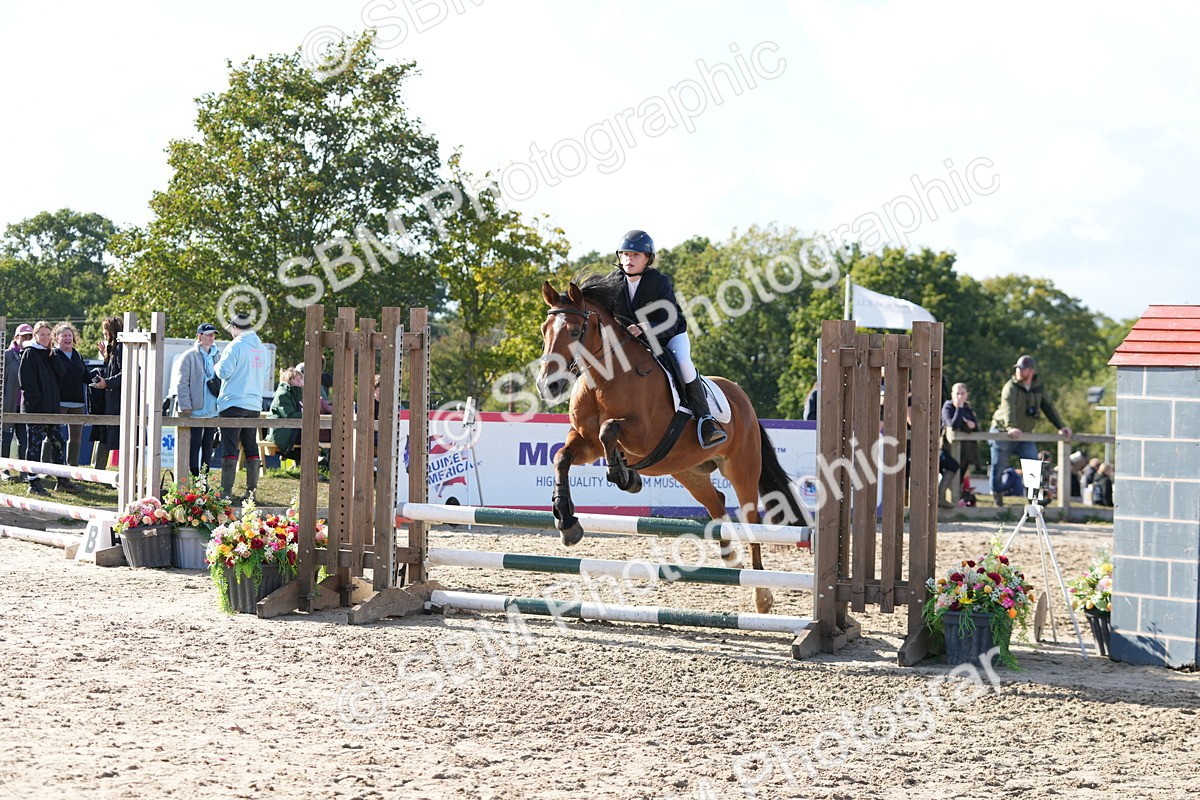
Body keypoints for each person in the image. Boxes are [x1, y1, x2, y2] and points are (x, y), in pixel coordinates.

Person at [610, 229, 726, 448]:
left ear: (648, 259)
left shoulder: (659, 282)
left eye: (635, 255)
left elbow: (669, 319)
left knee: (683, 363)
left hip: (668, 335)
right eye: (625, 254)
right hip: (634, 342)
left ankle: (706, 420)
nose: (629, 259)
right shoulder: (613, 282)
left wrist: (643, 328)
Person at [988, 354, 1072, 507]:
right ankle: (997, 500)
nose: (1019, 371)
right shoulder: (1010, 387)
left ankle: (1034, 502)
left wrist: (1061, 426)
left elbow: (1048, 407)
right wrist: (1011, 426)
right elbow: (1008, 408)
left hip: (1024, 434)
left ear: (1031, 371)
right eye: (1018, 368)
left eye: (1023, 369)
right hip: (1002, 431)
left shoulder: (1038, 387)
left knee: (1034, 465)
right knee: (998, 466)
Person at [216, 314, 270, 502]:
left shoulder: (236, 345)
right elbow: (264, 377)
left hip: (233, 401)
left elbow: (224, 372)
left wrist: (216, 366)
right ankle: (251, 492)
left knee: (229, 447)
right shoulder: (263, 349)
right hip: (254, 403)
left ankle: (226, 492)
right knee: (250, 445)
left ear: (234, 327)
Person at [18, 322, 67, 496]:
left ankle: (62, 479)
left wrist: (53, 356)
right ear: (35, 336)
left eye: (48, 334)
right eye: (42, 334)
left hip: (51, 409)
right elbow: (27, 382)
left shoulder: (50, 354)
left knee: (58, 442)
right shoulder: (29, 353)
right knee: (34, 446)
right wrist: (36, 406)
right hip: (36, 410)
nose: (45, 338)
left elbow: (62, 373)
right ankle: (33, 482)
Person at [171, 322, 222, 476]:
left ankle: (204, 478)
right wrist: (186, 406)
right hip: (195, 409)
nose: (211, 337)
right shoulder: (189, 356)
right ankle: (193, 476)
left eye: (213, 334)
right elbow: (182, 383)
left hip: (213, 408)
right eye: (208, 334)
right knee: (194, 444)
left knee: (208, 445)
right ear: (199, 337)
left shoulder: (218, 356)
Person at [50, 322, 88, 473]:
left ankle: (72, 469)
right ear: (57, 338)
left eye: (70, 335)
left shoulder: (78, 354)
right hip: (59, 401)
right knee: (52, 435)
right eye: (64, 335)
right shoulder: (53, 354)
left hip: (77, 402)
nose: (67, 338)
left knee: (76, 438)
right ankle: (48, 467)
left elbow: (86, 376)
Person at [89, 316, 124, 470]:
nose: (104, 335)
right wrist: (106, 358)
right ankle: (99, 471)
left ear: (112, 332)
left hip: (120, 401)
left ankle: (105, 472)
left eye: (105, 332)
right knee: (104, 434)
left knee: (121, 438)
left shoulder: (122, 347)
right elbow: (113, 370)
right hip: (112, 400)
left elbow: (126, 373)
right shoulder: (115, 348)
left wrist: (107, 382)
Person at [2, 323, 34, 481]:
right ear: (16, 338)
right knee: (5, 437)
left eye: (30, 336)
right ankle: (3, 470)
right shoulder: (7, 355)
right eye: (24, 336)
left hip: (25, 406)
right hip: (8, 404)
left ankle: (24, 471)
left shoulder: (31, 355)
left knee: (24, 439)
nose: (27, 339)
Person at [938, 382, 978, 508]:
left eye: (962, 393)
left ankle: (956, 502)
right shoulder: (948, 406)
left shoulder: (967, 408)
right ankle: (940, 498)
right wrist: (959, 408)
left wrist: (968, 422)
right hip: (944, 449)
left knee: (959, 474)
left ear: (967, 395)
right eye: (957, 393)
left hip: (964, 451)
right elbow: (953, 425)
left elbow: (975, 427)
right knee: (952, 467)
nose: (959, 396)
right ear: (952, 394)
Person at [265, 367, 303, 460]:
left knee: (312, 434)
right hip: (280, 432)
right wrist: (305, 414)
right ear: (288, 380)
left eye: (300, 378)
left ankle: (317, 461)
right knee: (308, 435)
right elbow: (289, 415)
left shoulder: (294, 393)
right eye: (295, 378)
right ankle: (316, 461)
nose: (299, 381)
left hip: (288, 429)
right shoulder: (283, 394)